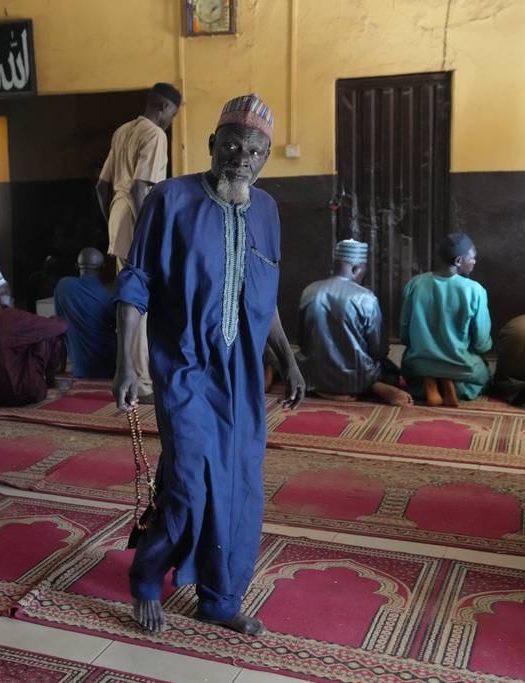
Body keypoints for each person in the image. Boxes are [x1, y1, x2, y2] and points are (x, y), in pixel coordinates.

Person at [112, 93, 305, 638]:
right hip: (186, 370)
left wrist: (288, 360)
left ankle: (220, 599)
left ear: (265, 159)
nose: (243, 157)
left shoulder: (265, 211)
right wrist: (128, 362)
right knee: (191, 485)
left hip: (243, 377)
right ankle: (148, 579)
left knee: (241, 485)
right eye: (233, 145)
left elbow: (264, 300)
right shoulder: (170, 199)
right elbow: (136, 282)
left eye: (256, 151)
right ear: (212, 145)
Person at [96, 82, 182, 402]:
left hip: (120, 217)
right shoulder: (156, 134)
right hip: (137, 217)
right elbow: (138, 189)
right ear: (163, 107)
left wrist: (115, 224)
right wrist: (145, 230)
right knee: (140, 303)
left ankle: (136, 376)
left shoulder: (121, 132)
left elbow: (102, 188)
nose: (173, 118)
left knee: (129, 298)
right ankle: (143, 384)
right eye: (173, 112)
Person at [294, 239, 411, 406]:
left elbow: (301, 340)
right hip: (356, 377)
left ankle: (322, 388)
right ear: (356, 269)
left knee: (297, 362)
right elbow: (378, 350)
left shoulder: (309, 291)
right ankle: (373, 387)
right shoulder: (366, 298)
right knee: (390, 370)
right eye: (363, 270)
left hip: (312, 373)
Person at [399, 233, 492, 406]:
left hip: (418, 365)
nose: (474, 262)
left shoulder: (416, 283)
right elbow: (480, 341)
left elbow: (404, 333)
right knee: (484, 380)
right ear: (458, 261)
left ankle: (430, 381)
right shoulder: (475, 290)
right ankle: (449, 383)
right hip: (460, 366)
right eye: (472, 258)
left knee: (415, 380)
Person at [0, 270, 71, 407]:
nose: (13, 299)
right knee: (46, 331)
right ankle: (49, 383)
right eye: (8, 293)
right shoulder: (12, 318)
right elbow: (61, 326)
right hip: (15, 396)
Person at [54, 247, 118, 378]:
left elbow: (60, 330)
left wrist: (61, 368)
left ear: (77, 266)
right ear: (103, 268)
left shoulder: (63, 287)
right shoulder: (107, 297)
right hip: (110, 368)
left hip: (79, 369)